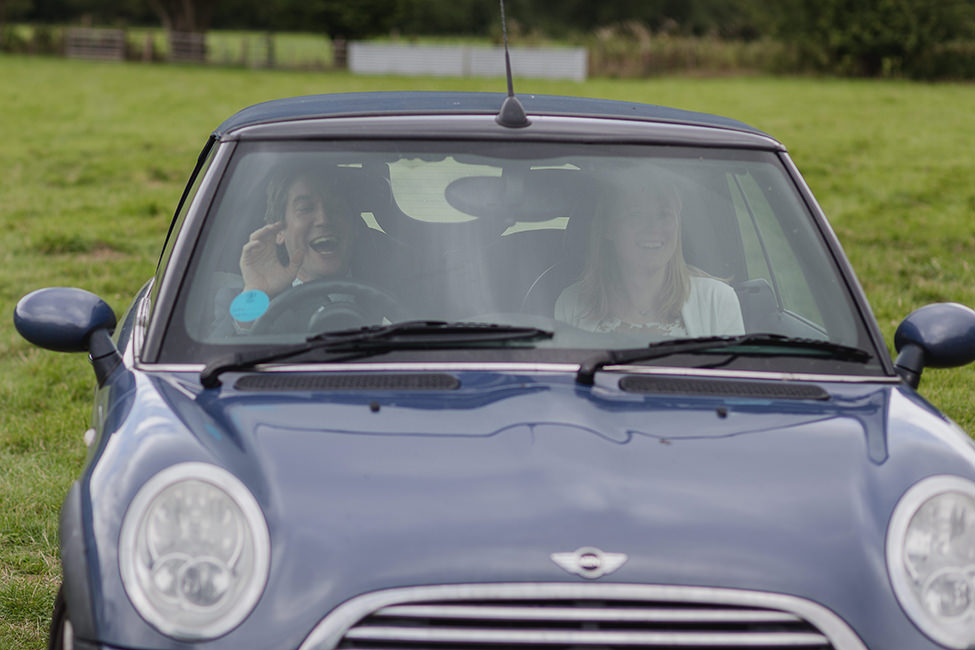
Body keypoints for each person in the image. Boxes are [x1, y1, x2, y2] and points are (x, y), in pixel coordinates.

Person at [555, 172, 744, 338]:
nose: (653, 228)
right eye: (636, 214)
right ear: (608, 228)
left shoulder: (717, 301)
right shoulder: (572, 305)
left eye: (664, 215)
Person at [212, 161, 361, 335]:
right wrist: (258, 294)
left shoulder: (394, 282)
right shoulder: (240, 300)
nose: (324, 219)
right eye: (305, 209)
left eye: (336, 207)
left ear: (355, 225)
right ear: (279, 230)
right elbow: (217, 357)